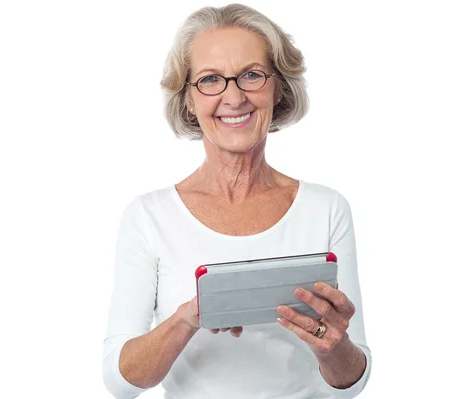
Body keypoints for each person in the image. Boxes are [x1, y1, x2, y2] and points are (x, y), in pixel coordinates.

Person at [102, 3, 371, 398]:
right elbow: (119, 382)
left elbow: (351, 383)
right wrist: (190, 317)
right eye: (210, 79)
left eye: (251, 75)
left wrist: (334, 347)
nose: (234, 97)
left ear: (278, 89)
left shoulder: (326, 208)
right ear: (188, 99)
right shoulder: (148, 217)